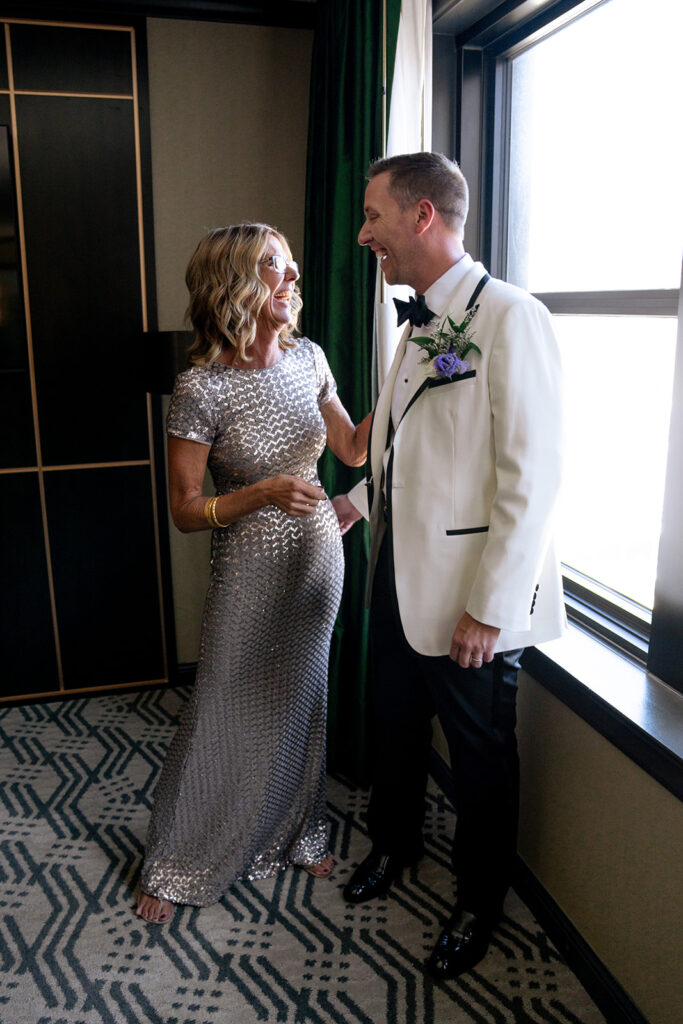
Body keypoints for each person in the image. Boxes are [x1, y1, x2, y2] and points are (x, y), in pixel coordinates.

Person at [332, 153, 564, 979]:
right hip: (396, 580)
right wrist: (354, 505)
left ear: (422, 215)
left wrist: (490, 607)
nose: (364, 234)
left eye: (373, 216)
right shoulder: (416, 321)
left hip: (472, 600)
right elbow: (402, 445)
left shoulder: (509, 317)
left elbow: (530, 480)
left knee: (479, 761)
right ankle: (392, 847)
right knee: (393, 734)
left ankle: (478, 900)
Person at [137, 222, 371, 924]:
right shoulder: (200, 386)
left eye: (293, 265)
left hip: (317, 556)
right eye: (275, 266)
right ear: (233, 283)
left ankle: (300, 831)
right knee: (221, 708)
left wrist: (405, 385)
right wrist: (261, 493)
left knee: (302, 699)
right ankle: (178, 859)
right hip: (247, 563)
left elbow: (352, 451)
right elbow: (183, 509)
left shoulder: (310, 358)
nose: (292, 278)